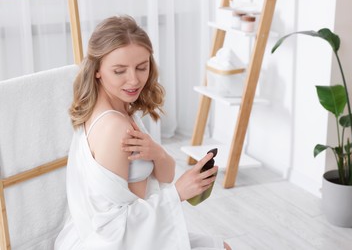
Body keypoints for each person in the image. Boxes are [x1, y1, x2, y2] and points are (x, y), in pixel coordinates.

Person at [54, 15, 231, 250]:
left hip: (131, 234)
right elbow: (113, 227)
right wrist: (177, 193)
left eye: (141, 67)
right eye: (119, 71)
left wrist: (156, 153)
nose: (134, 80)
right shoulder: (114, 127)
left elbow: (164, 176)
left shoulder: (122, 110)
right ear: (97, 70)